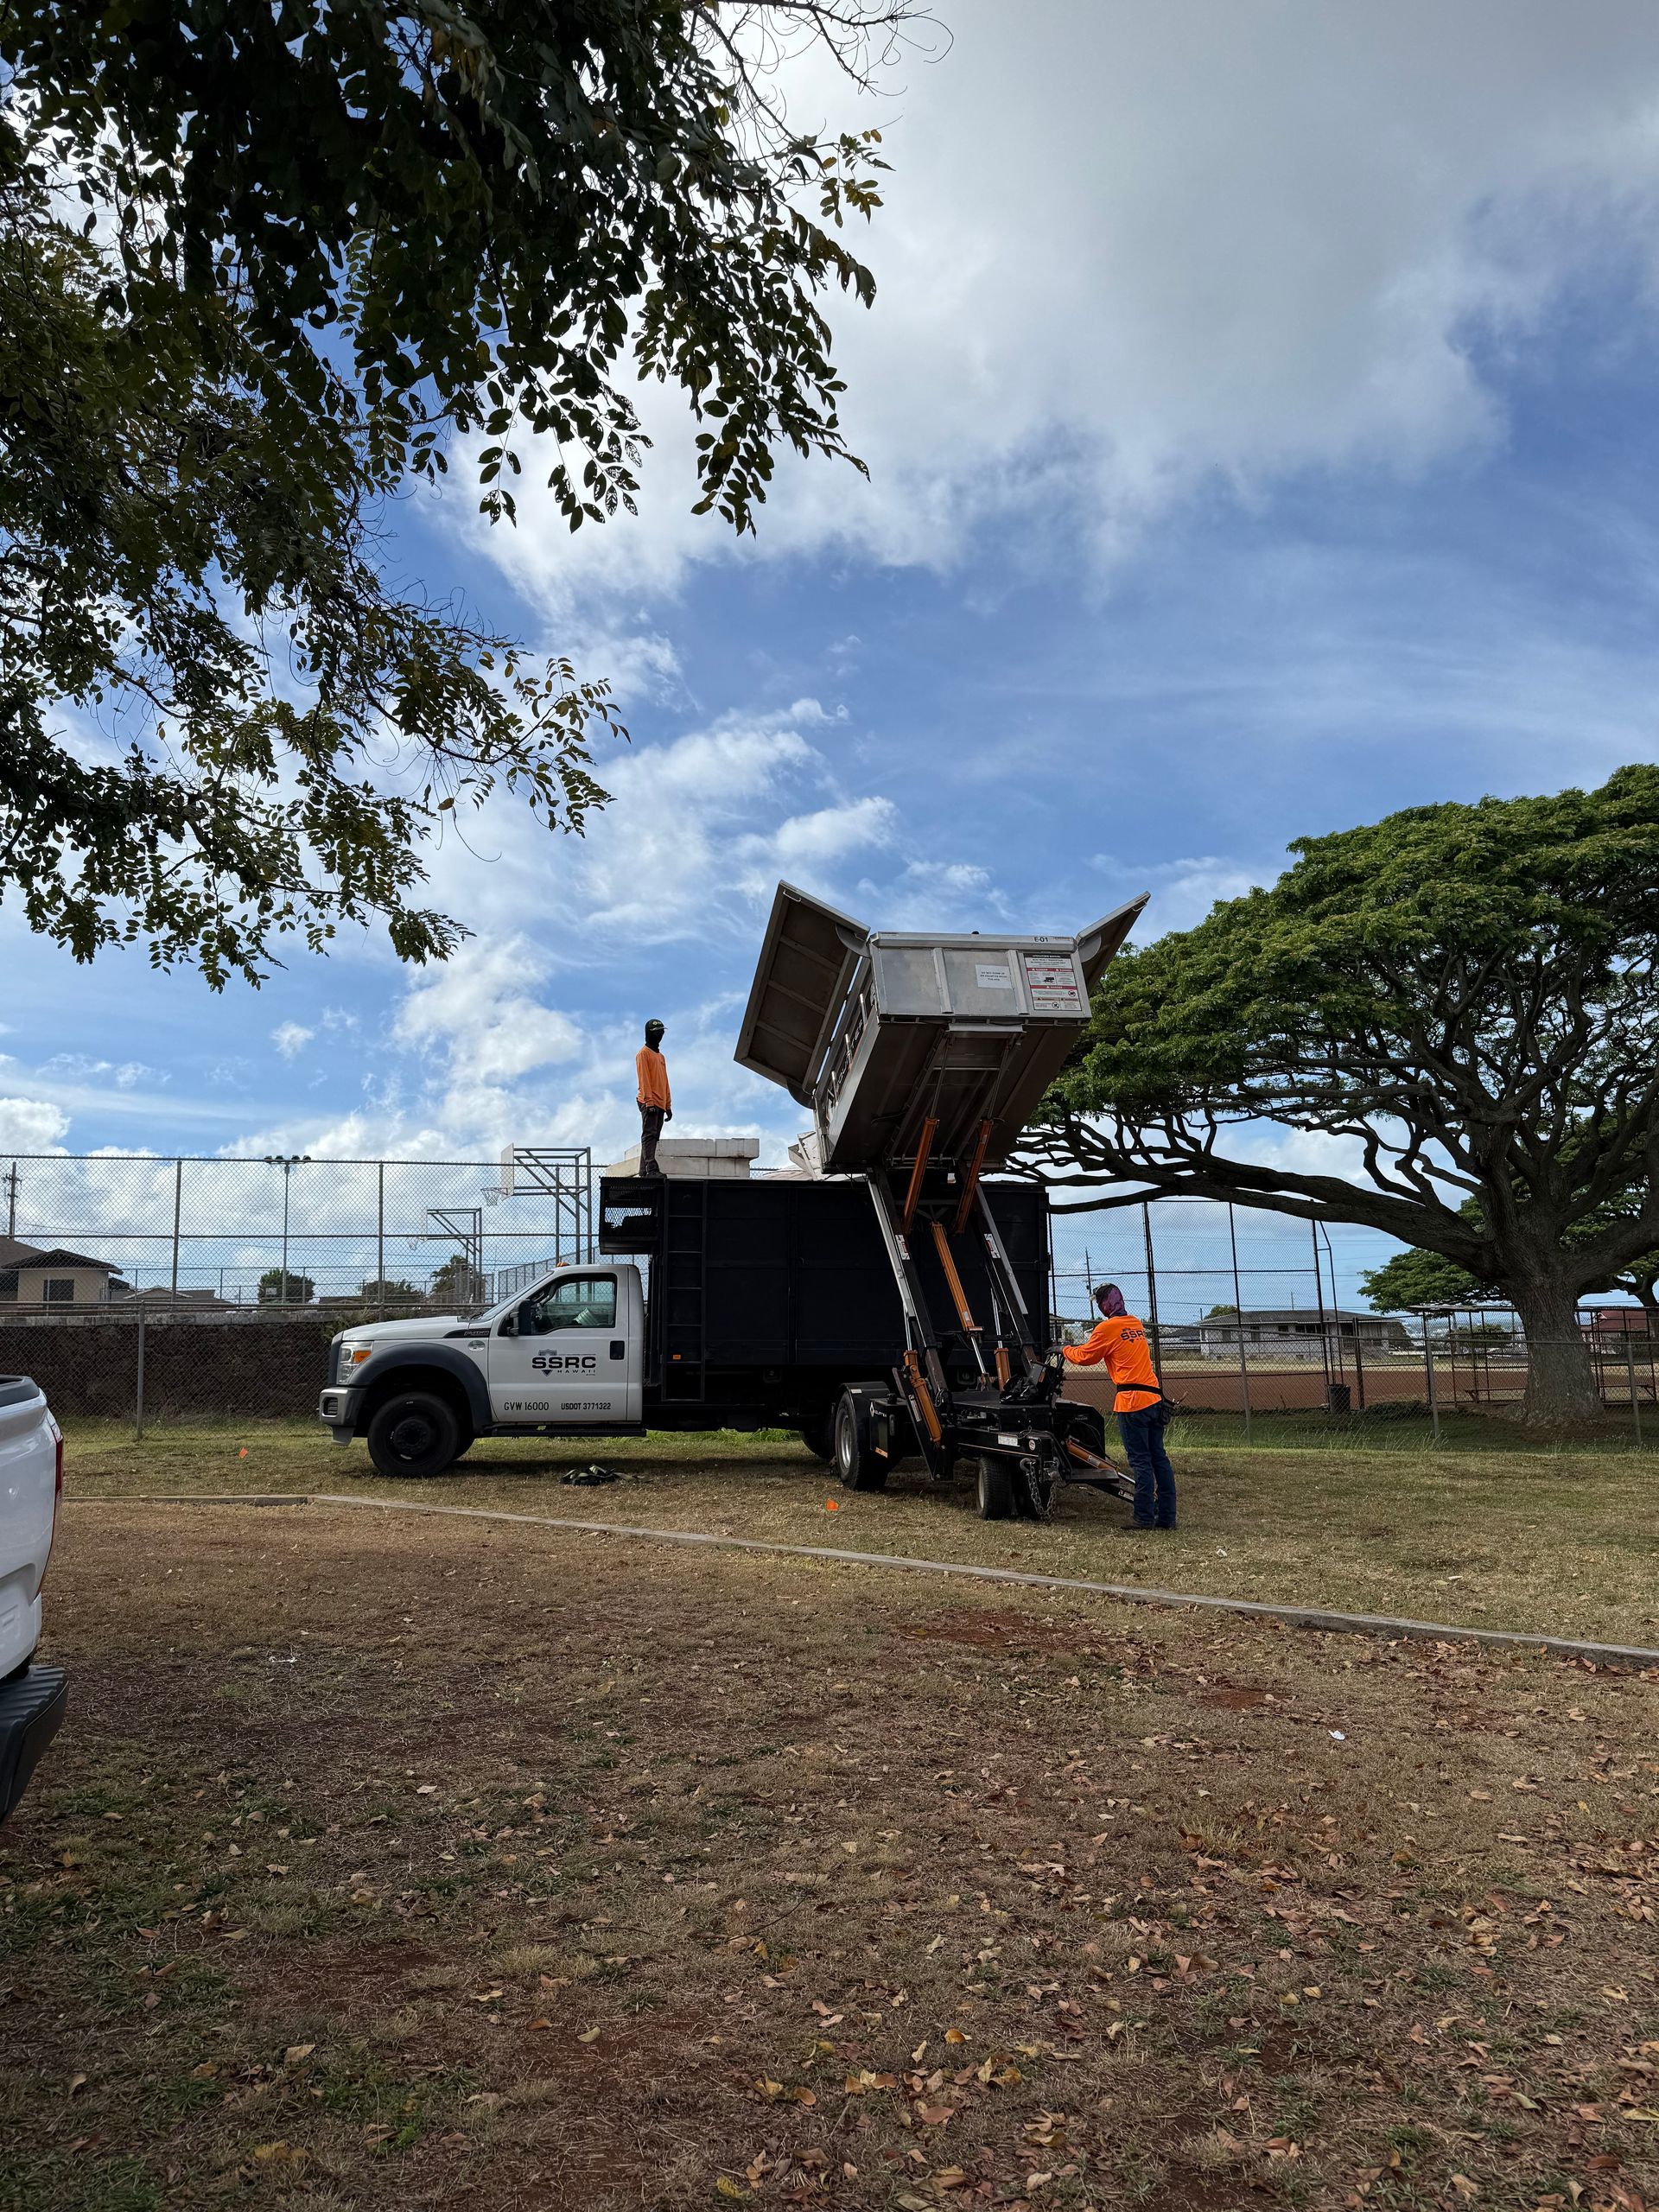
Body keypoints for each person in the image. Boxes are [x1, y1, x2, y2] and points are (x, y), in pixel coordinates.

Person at [1061, 1282, 1176, 1530]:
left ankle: (1144, 1518)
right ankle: (1167, 1517)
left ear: (1105, 1305)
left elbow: (1085, 1357)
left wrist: (1064, 1349)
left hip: (1132, 1402)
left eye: (1100, 1304)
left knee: (1141, 1462)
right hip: (1154, 1399)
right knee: (1159, 1458)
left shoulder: (1107, 1328)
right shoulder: (1135, 1324)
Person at [634, 1019, 671, 1176]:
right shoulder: (643, 1054)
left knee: (654, 1137)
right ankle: (651, 1168)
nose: (660, 1034)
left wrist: (668, 1104)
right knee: (649, 1135)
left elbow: (665, 1080)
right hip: (649, 1101)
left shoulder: (661, 1057)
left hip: (661, 1102)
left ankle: (644, 1171)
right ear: (649, 1033)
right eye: (657, 1032)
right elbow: (644, 1079)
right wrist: (649, 1102)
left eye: (661, 1031)